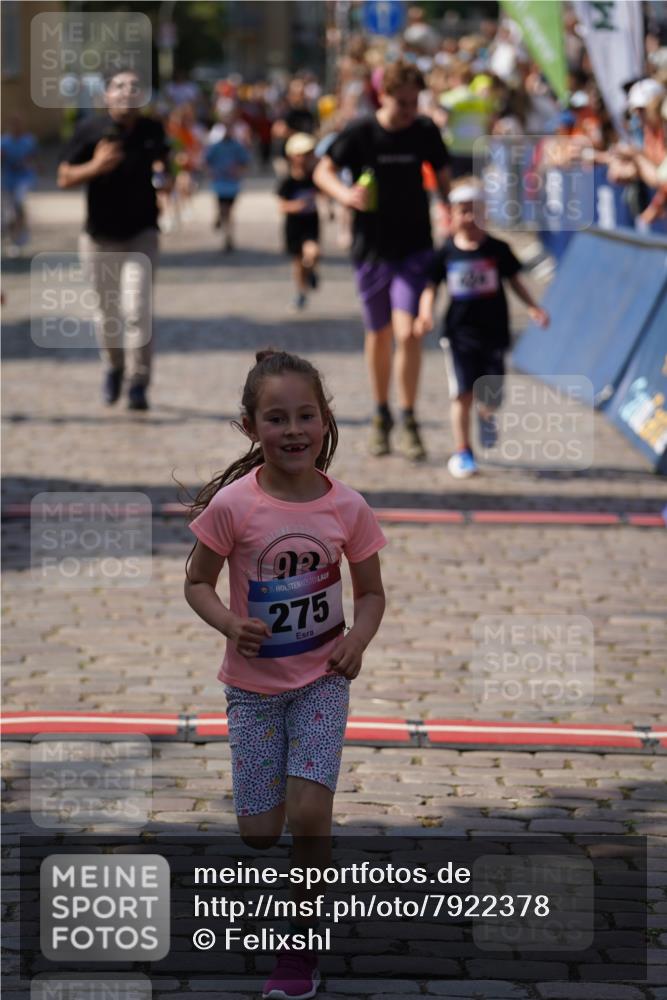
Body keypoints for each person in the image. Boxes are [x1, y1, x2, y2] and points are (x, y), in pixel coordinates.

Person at [184, 349, 386, 1000]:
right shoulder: (233, 506)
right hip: (251, 691)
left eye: (306, 416)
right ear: (250, 427)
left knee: (309, 813)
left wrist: (356, 640)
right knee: (260, 833)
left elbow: (372, 594)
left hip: (321, 681)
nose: (293, 430)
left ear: (325, 421)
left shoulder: (347, 507)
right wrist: (228, 623)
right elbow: (196, 582)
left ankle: (300, 947)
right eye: (276, 418)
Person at [314, 61, 451, 461]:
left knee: (409, 333)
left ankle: (408, 417)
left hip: (415, 246)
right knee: (379, 333)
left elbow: (444, 181)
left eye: (414, 102)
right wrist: (346, 196)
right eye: (402, 102)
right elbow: (323, 171)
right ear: (383, 96)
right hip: (371, 247)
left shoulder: (424, 131)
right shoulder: (360, 132)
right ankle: (381, 414)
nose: (409, 110)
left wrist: (456, 212)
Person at [416, 178, 549, 478]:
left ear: (485, 212)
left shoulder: (498, 249)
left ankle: (486, 415)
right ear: (452, 215)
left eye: (475, 210)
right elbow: (430, 287)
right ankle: (463, 451)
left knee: (491, 395)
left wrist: (533, 307)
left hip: (494, 333)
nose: (469, 217)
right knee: (462, 394)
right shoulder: (446, 252)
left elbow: (514, 281)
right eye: (462, 211)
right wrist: (425, 314)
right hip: (459, 335)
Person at [57, 68, 170, 411]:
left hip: (142, 233)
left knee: (137, 310)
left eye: (135, 86)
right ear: (106, 95)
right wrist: (96, 166)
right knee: (107, 313)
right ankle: (114, 366)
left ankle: (138, 382)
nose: (127, 92)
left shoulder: (152, 129)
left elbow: (164, 164)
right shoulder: (90, 129)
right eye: (119, 86)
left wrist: (166, 176)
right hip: (99, 237)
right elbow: (63, 177)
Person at [277, 133, 322, 311]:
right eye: (302, 154)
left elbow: (323, 193)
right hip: (294, 225)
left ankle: (311, 272)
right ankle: (301, 292)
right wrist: (297, 206)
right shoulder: (287, 181)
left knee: (313, 252)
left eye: (309, 154)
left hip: (310, 222)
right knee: (298, 262)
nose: (306, 158)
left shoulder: (314, 176)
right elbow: (281, 206)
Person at [205, 124, 251, 252]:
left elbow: (245, 161)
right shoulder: (216, 147)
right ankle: (224, 226)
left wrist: (238, 171)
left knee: (229, 211)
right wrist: (211, 173)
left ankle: (228, 235)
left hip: (232, 184)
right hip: (220, 183)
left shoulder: (237, 146)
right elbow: (207, 161)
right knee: (223, 209)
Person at [1, 115, 38, 256]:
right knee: (9, 213)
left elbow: (33, 157)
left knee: (18, 203)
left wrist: (36, 166)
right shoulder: (4, 142)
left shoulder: (28, 141)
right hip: (8, 180)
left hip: (23, 179)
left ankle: (20, 235)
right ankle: (14, 238)